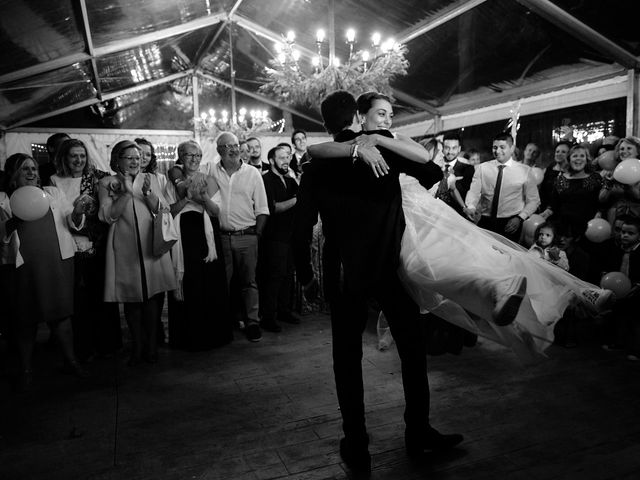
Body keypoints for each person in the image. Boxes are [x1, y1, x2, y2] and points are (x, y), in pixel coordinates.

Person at [295, 90, 462, 477]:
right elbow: (435, 173)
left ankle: (357, 444)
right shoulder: (382, 150)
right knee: (412, 349)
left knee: (347, 358)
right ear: (357, 115)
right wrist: (387, 138)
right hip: (389, 266)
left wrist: (305, 277)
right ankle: (418, 430)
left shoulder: (317, 164)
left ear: (324, 124)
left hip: (343, 271)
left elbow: (302, 227)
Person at [0, 153, 87, 390]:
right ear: (13, 174)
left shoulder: (53, 193)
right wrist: (10, 223)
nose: (32, 173)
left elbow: (72, 221)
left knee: (61, 315)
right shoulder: (3, 200)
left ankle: (71, 361)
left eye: (34, 169)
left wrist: (78, 211)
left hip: (56, 262)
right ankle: (26, 368)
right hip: (22, 267)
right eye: (25, 169)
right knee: (25, 319)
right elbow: (2, 237)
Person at [98, 140, 176, 365]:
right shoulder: (107, 183)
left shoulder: (150, 179)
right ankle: (137, 346)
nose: (136, 161)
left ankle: (151, 346)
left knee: (152, 296)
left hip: (150, 243)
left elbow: (162, 210)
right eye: (129, 157)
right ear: (117, 160)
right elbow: (106, 216)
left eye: (138, 157)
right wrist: (124, 192)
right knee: (132, 298)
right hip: (125, 246)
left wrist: (149, 193)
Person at [51, 139, 121, 361]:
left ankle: (107, 345)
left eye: (82, 155)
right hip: (70, 245)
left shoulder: (98, 178)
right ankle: (85, 346)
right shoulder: (54, 181)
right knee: (79, 302)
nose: (79, 160)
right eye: (74, 156)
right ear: (65, 158)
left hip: (97, 244)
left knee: (102, 296)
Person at [164, 140, 233, 350]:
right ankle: (187, 336)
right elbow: (169, 211)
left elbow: (216, 211)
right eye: (188, 155)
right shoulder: (172, 181)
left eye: (197, 155)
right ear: (181, 157)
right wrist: (186, 198)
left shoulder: (209, 179)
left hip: (206, 236)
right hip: (183, 236)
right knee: (189, 283)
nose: (193, 159)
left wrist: (202, 198)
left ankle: (213, 334)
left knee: (210, 285)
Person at [210, 132, 269, 342]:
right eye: (227, 146)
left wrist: (257, 235)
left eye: (235, 144)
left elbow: (262, 208)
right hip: (222, 237)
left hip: (247, 235)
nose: (233, 149)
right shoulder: (211, 171)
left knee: (249, 282)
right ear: (219, 151)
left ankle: (252, 322)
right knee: (223, 283)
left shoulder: (252, 173)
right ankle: (225, 322)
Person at [464, 133, 540, 242]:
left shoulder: (525, 171)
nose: (497, 151)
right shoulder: (482, 168)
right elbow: (473, 192)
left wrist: (520, 218)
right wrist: (471, 206)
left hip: (511, 223)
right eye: (495, 147)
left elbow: (534, 201)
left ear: (512, 148)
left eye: (502, 147)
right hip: (485, 221)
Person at [259, 145, 300, 333]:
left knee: (287, 276)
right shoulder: (266, 179)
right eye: (282, 157)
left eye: (288, 157)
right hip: (273, 237)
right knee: (273, 278)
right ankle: (269, 317)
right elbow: (272, 208)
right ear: (273, 160)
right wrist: (297, 199)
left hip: (290, 236)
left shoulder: (290, 180)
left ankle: (284, 311)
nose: (286, 160)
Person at [135, 137, 169, 345]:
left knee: (157, 288)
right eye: (139, 153)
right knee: (138, 291)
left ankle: (156, 331)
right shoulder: (122, 179)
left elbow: (166, 208)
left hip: (156, 235)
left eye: (147, 154)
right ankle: (141, 337)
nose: (143, 158)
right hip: (134, 237)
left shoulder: (160, 178)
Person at [540, 144, 603, 235]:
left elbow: (602, 202)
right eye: (575, 156)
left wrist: (599, 213)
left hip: (589, 228)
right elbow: (554, 204)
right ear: (569, 159)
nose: (578, 158)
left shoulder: (595, 177)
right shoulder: (560, 178)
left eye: (582, 156)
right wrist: (546, 213)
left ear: (586, 160)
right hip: (564, 228)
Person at [432, 132, 475, 216]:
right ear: (442, 148)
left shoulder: (467, 169)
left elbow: (468, 193)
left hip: (457, 214)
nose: (450, 152)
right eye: (447, 148)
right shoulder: (434, 165)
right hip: (433, 213)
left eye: (454, 148)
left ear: (459, 149)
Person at [539, 140, 572, 212]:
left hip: (563, 211)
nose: (559, 154)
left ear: (569, 155)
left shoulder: (572, 173)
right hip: (544, 210)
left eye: (563, 152)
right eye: (557, 151)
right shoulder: (548, 170)